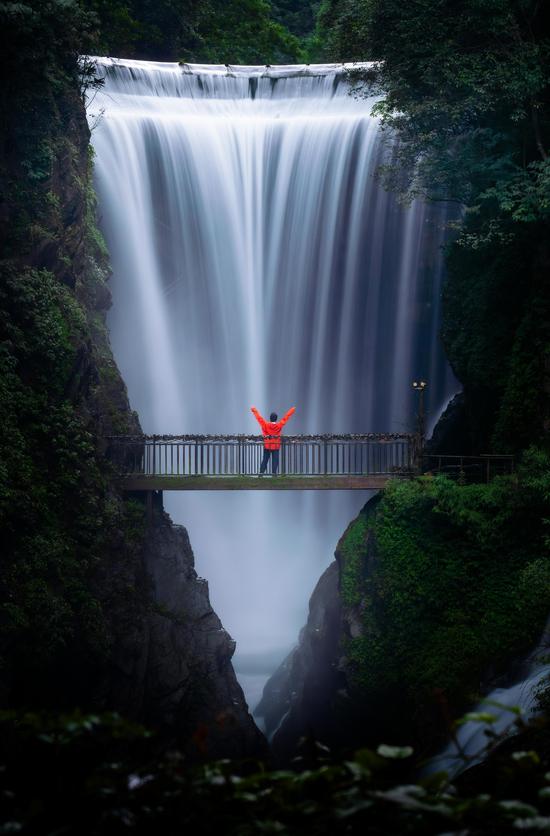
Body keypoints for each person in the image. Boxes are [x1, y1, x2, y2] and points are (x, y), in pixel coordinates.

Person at [251, 405, 296, 475]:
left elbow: (259, 418)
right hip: (275, 446)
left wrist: (254, 410)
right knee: (275, 460)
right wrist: (292, 410)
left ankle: (261, 473)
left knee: (265, 460)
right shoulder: (279, 425)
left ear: (270, 418)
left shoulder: (265, 425)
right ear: (276, 419)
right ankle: (274, 474)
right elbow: (286, 418)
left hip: (267, 445)